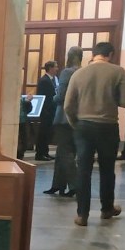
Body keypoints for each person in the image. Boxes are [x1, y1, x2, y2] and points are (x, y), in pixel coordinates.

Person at [64, 41, 125, 226]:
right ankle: (107, 208)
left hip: (84, 127)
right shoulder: (118, 71)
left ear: (93, 54)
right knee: (107, 170)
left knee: (83, 170)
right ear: (110, 54)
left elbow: (68, 105)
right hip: (108, 126)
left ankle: (82, 215)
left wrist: (76, 124)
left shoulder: (78, 73)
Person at [44, 46, 82, 197]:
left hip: (64, 117)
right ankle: (57, 185)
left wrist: (53, 98)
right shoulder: (82, 71)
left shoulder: (67, 72)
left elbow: (61, 96)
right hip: (77, 117)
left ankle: (75, 185)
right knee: (62, 153)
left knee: (65, 153)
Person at [35, 60, 59, 161]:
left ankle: (45, 152)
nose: (57, 69)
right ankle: (40, 154)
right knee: (43, 133)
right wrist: (45, 110)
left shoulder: (53, 80)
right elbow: (42, 97)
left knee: (47, 133)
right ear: (50, 68)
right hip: (45, 111)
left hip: (51, 111)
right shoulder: (44, 80)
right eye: (55, 67)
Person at [17, 94, 33, 159]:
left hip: (23, 121)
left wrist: (28, 102)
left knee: (24, 141)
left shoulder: (21, 98)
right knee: (20, 141)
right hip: (15, 121)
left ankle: (20, 157)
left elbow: (27, 110)